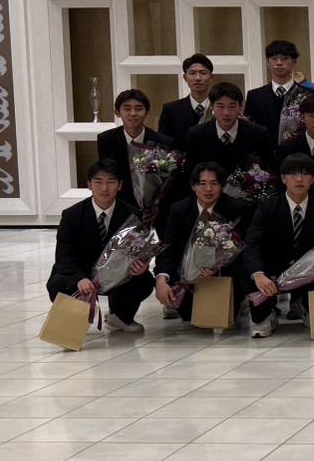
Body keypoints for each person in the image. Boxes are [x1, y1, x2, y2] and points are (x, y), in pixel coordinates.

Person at [47, 159, 155, 333]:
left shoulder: (133, 215)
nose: (104, 188)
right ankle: (76, 319)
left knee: (145, 280)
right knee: (59, 281)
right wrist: (79, 278)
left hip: (117, 274)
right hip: (83, 271)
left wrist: (142, 265)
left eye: (111, 182)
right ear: (89, 184)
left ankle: (120, 316)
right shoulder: (72, 215)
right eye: (98, 182)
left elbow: (140, 251)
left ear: (120, 185)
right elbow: (63, 255)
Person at [242, 154, 314, 339]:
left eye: (305, 174)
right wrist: (258, 274)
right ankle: (266, 313)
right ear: (283, 178)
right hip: (272, 270)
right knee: (251, 272)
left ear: (313, 179)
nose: (299, 179)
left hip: (307, 271)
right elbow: (251, 245)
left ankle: (301, 304)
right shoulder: (268, 206)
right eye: (293, 174)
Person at [154, 162, 247, 324]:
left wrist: (218, 268)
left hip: (225, 275)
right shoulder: (179, 209)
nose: (208, 189)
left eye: (214, 183)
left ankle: (238, 301)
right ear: (193, 186)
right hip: (187, 276)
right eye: (202, 183)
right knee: (188, 316)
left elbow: (244, 249)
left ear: (222, 186)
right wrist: (161, 280)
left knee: (225, 313)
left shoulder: (236, 208)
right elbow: (168, 248)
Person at [95, 88, 175, 214]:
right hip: (120, 206)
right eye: (127, 109)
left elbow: (166, 182)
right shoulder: (107, 140)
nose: (133, 113)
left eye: (138, 109)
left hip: (155, 210)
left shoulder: (163, 142)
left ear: (147, 113)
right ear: (117, 112)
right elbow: (109, 174)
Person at [184, 82, 274, 180]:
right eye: (220, 106)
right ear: (211, 106)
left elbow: (268, 172)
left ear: (241, 106)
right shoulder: (196, 135)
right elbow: (190, 174)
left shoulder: (259, 134)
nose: (226, 113)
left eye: (232, 106)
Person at [244, 40, 314, 143]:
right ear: (267, 62)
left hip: (299, 150)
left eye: (284, 58)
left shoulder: (310, 95)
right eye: (274, 58)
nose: (279, 63)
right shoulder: (254, 96)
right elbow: (248, 128)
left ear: (294, 62)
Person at [157, 53, 216, 147]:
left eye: (203, 73)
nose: (198, 78)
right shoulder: (171, 110)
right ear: (185, 77)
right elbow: (163, 144)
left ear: (211, 77)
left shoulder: (220, 108)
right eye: (192, 73)